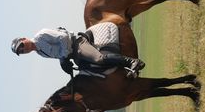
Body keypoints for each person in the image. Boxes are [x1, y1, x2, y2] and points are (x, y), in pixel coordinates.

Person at [10, 27, 145, 78]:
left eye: (22, 46)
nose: (24, 49)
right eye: (21, 51)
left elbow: (63, 37)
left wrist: (64, 56)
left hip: (76, 44)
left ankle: (132, 62)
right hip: (73, 56)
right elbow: (59, 54)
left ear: (24, 38)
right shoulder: (40, 53)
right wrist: (63, 63)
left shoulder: (41, 36)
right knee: (88, 75)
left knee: (99, 59)